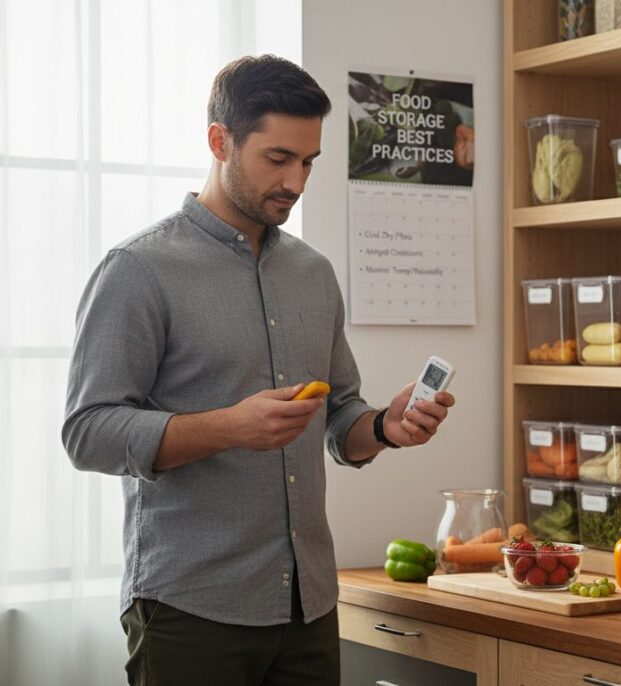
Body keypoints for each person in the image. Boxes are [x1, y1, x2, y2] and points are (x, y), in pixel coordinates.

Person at [61, 54, 454, 686]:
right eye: (278, 159)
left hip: (308, 607)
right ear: (220, 140)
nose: (296, 181)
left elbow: (340, 418)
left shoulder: (314, 274)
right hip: (191, 609)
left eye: (308, 163)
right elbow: (87, 431)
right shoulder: (137, 270)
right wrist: (229, 427)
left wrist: (385, 425)